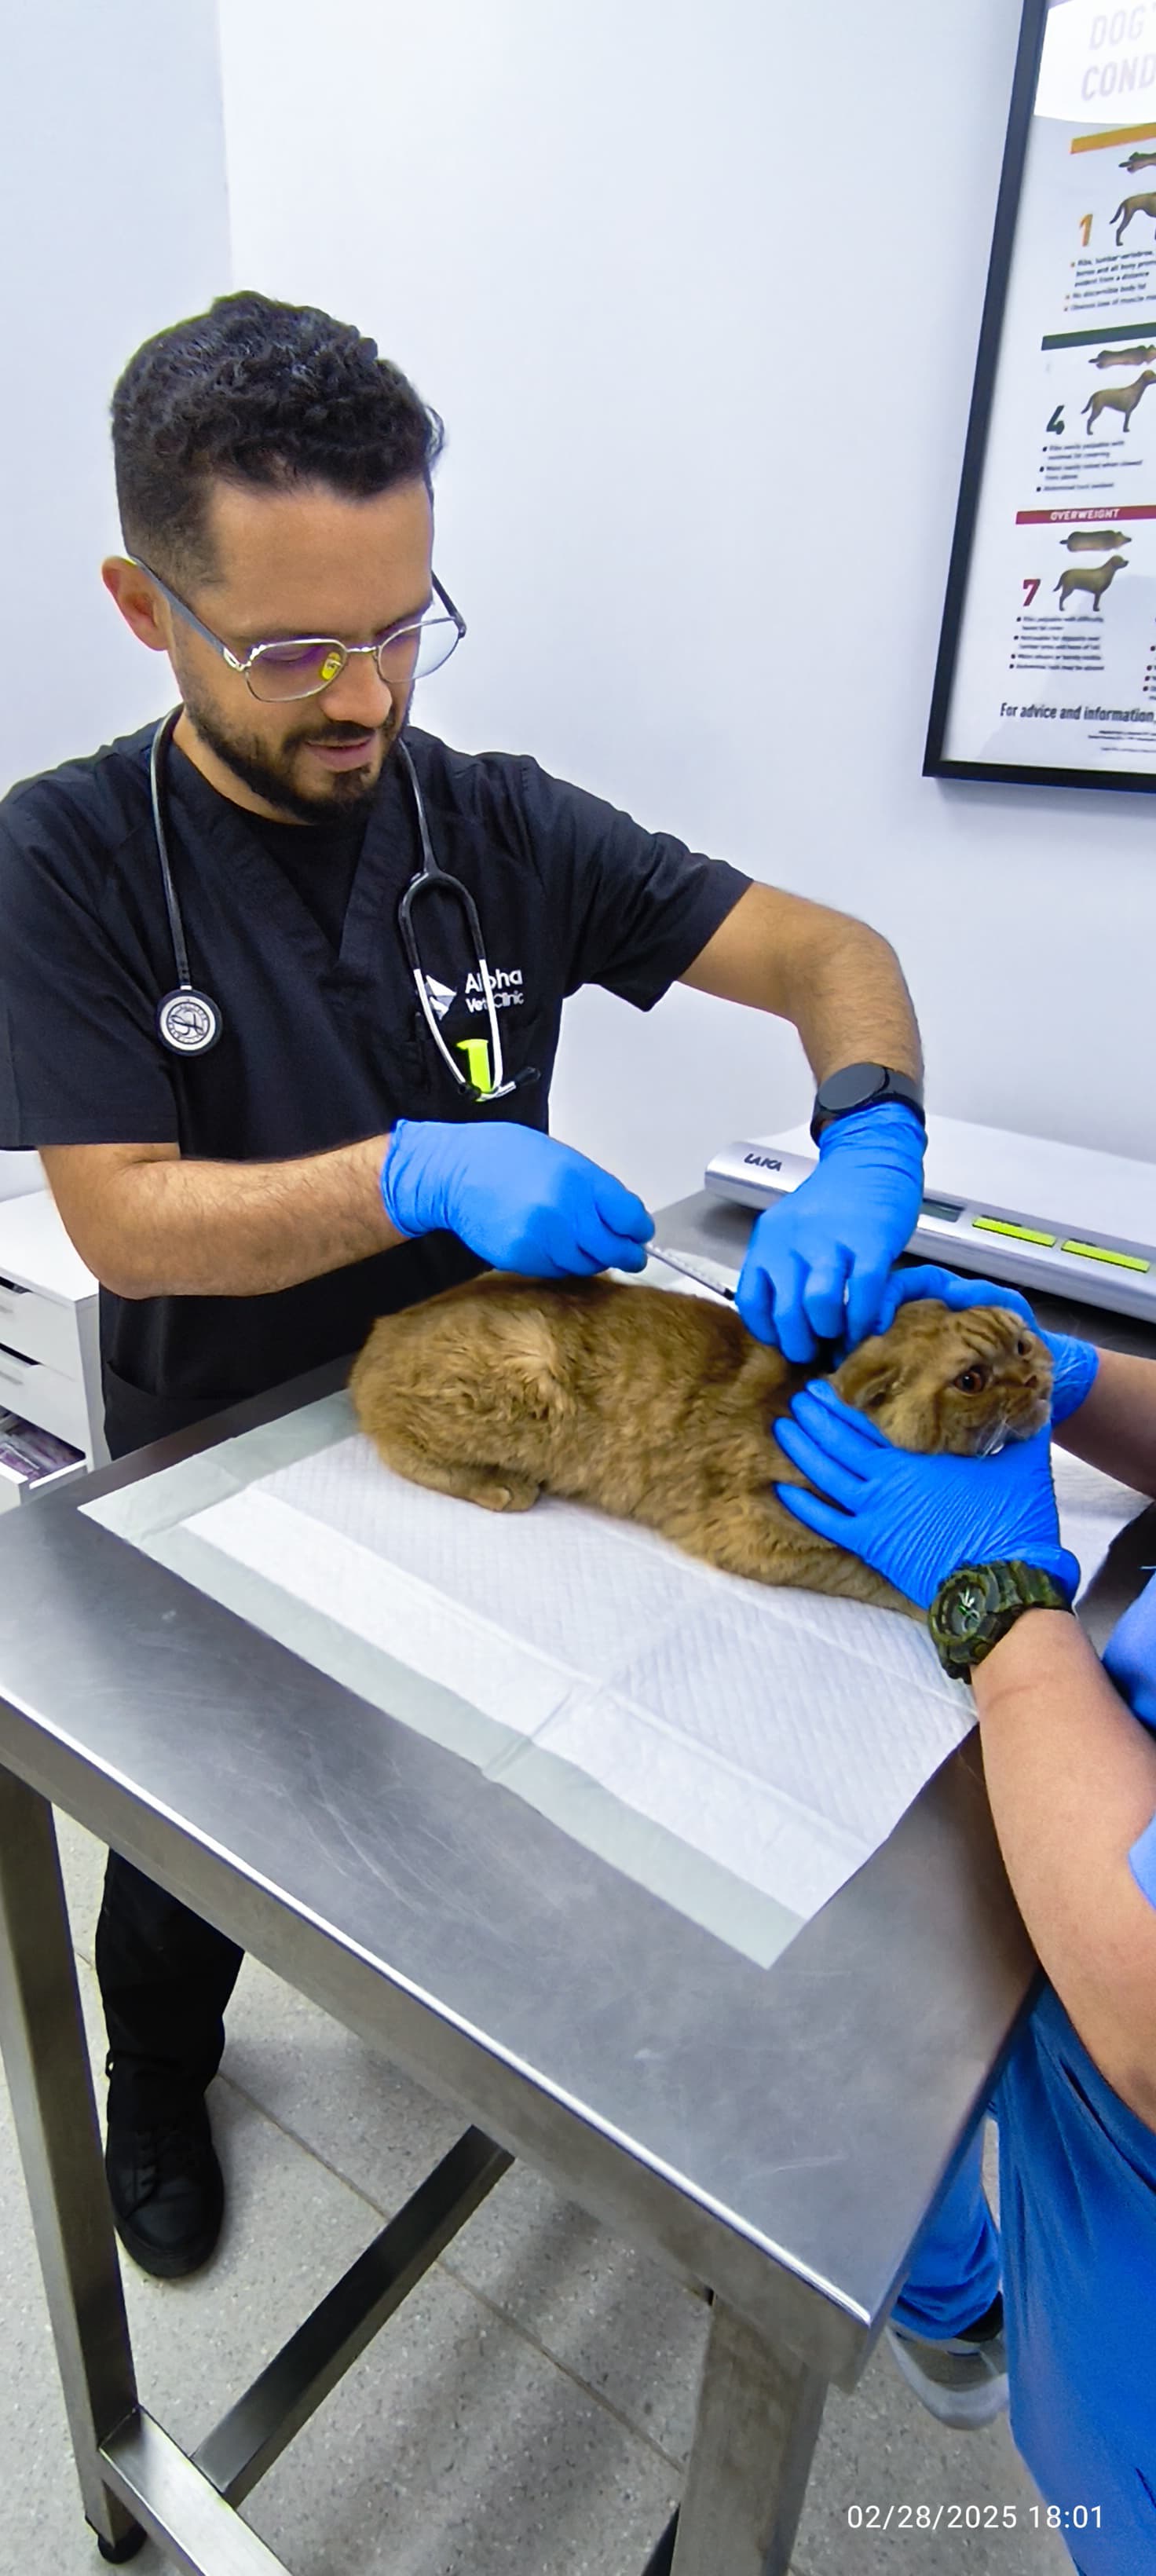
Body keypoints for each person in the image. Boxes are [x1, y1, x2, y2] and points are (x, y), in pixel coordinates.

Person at [0, 291, 927, 2281]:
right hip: (230, 1456)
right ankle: (159, 2059)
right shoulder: (62, 859)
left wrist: (866, 1131)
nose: (366, 697)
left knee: (474, 1798)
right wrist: (409, 1166)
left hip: (528, 1441)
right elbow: (120, 1220)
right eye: (294, 648)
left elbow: (832, 951)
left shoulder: (495, 820)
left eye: (406, 624)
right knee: (202, 1837)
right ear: (141, 602)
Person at [774, 1262, 1156, 2573]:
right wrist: (1082, 1382)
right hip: (1079, 2138)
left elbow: (1152, 2011)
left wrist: (1001, 1609)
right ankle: (960, 2312)